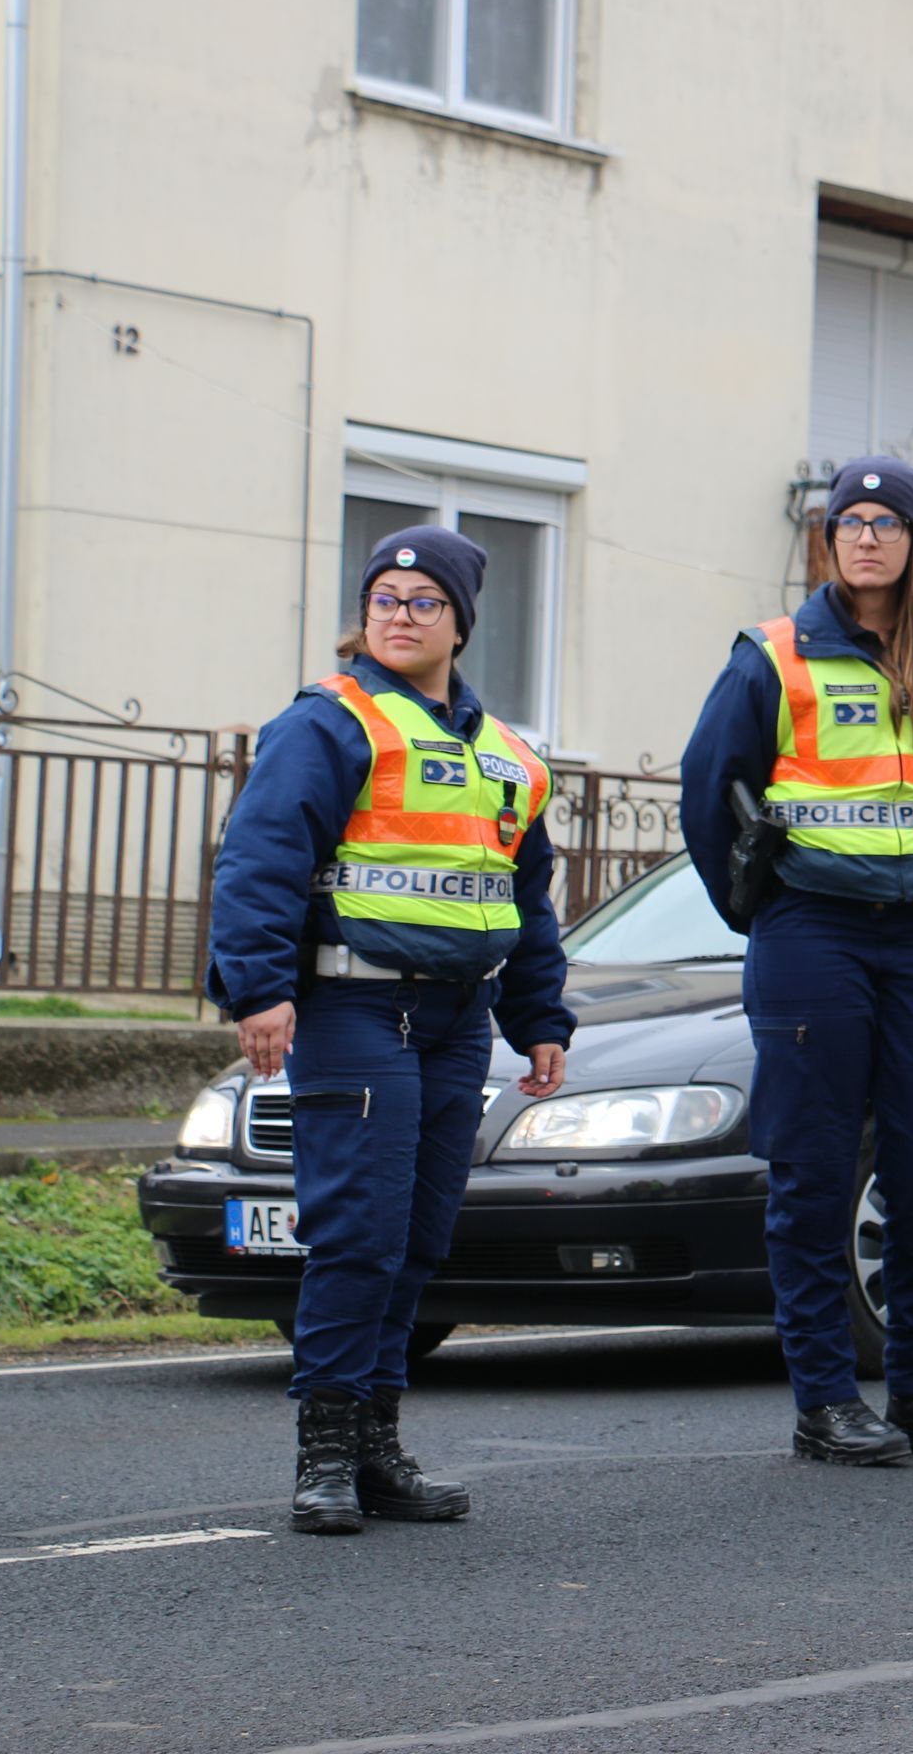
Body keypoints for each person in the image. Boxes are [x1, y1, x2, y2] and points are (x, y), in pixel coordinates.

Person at [207, 524, 574, 1534]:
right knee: (358, 1236)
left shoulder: (506, 757)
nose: (400, 615)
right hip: (354, 1005)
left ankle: (376, 1445)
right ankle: (321, 1454)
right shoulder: (329, 723)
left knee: (416, 1241)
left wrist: (539, 1015)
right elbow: (260, 857)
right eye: (385, 599)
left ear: (460, 623)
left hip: (457, 1018)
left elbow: (525, 896)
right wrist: (258, 989)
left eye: (423, 602)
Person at [679, 457, 913, 1467]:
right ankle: (825, 1399)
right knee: (815, 1171)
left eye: (885, 522)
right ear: (828, 540)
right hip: (813, 930)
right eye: (848, 522)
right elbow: (708, 787)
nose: (866, 537)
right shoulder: (774, 656)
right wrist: (757, 908)